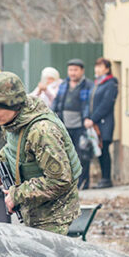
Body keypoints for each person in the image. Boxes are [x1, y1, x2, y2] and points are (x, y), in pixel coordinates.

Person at [0, 71, 81, 235]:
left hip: (54, 217)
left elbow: (59, 180)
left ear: (13, 103)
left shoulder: (42, 131)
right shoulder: (17, 120)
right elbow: (14, 147)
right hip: (35, 211)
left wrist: (17, 195)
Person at [52, 58, 94, 189]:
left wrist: (87, 117)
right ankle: (69, 183)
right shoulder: (64, 84)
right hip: (65, 126)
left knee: (83, 155)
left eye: (75, 70)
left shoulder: (88, 85)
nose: (72, 73)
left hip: (80, 126)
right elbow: (56, 102)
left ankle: (83, 183)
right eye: (70, 70)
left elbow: (89, 105)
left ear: (82, 71)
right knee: (65, 156)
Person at [87, 57, 118, 189]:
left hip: (104, 123)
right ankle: (103, 178)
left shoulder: (111, 83)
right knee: (98, 150)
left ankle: (106, 179)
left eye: (100, 66)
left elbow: (106, 104)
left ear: (107, 68)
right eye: (96, 66)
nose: (97, 69)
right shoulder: (98, 83)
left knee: (104, 149)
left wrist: (93, 119)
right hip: (95, 123)